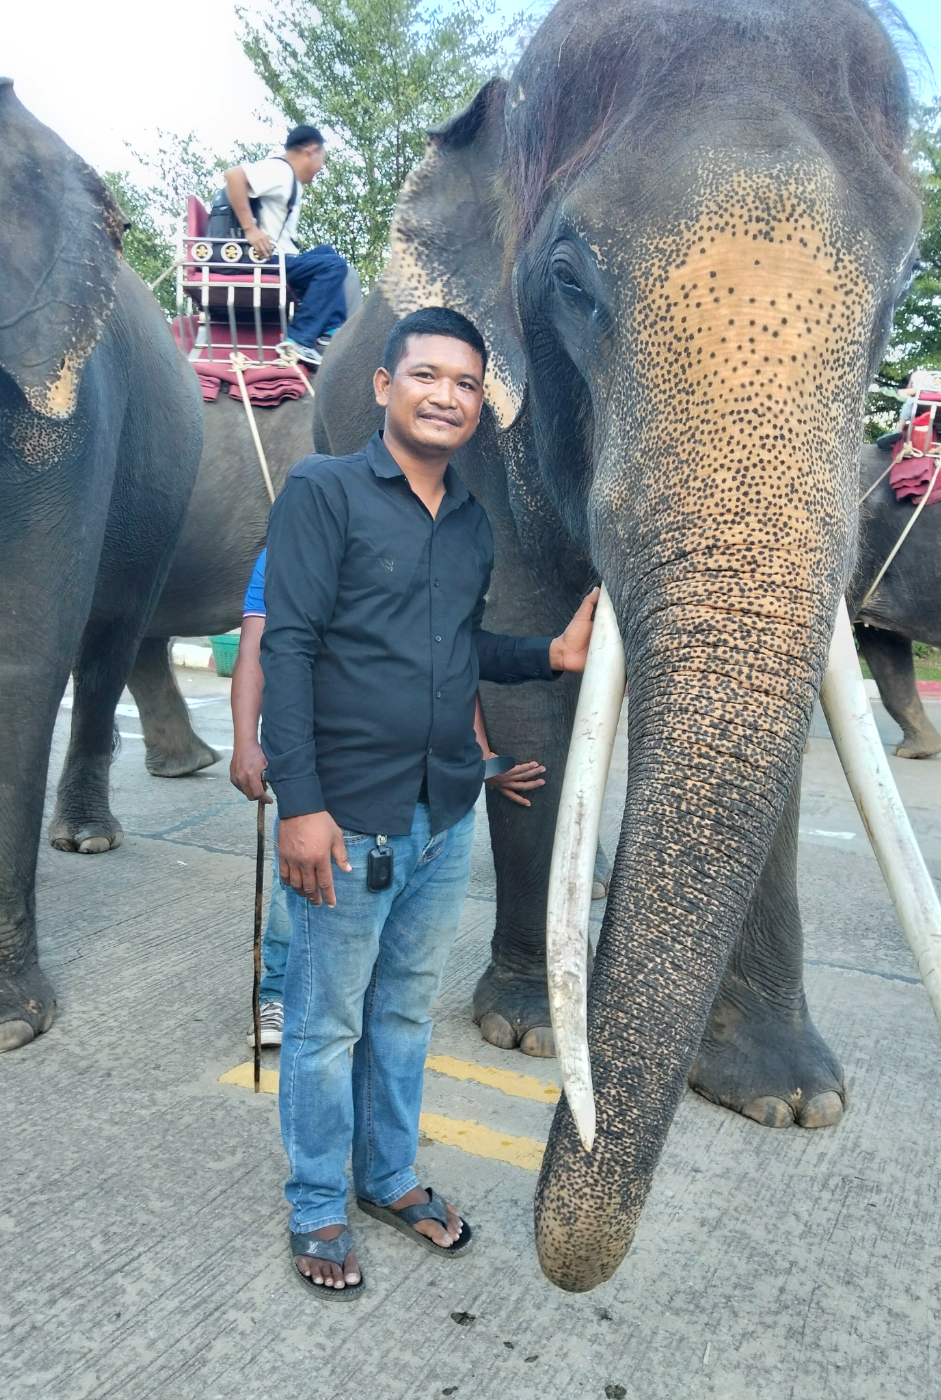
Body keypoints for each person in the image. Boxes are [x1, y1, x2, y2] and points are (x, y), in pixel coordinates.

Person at [260, 305, 598, 1296]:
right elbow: (288, 648)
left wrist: (548, 654)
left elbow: (460, 649)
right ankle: (318, 1204)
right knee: (325, 1026)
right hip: (347, 817)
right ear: (383, 385)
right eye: (427, 375)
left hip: (444, 818)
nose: (446, 396)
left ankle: (388, 1177)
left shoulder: (470, 522)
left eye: (465, 383)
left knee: (404, 1013)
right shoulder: (323, 492)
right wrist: (299, 806)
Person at [229, 548, 548, 1048]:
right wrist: (246, 741)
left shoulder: (413, 547)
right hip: (323, 767)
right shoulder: (291, 549)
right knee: (301, 887)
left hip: (403, 776)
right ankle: (277, 992)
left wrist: (479, 756)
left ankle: (357, 1001)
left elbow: (447, 666)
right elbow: (258, 651)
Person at [222, 125, 349, 367]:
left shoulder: (290, 180)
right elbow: (234, 175)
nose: (320, 167)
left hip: (279, 257)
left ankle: (331, 329)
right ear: (312, 150)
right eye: (322, 159)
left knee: (326, 252)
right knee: (333, 266)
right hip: (264, 259)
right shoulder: (280, 170)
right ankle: (298, 339)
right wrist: (250, 229)